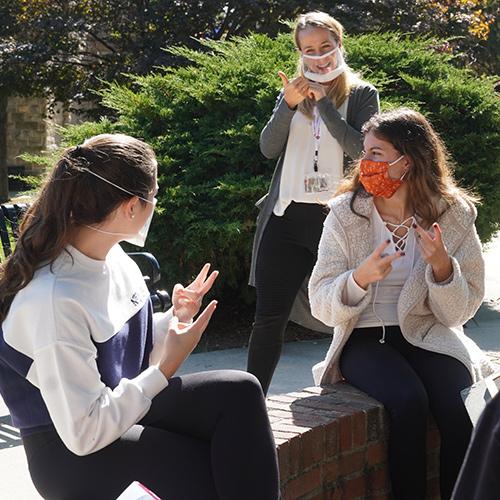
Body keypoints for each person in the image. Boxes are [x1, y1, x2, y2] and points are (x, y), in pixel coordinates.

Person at [0, 134, 280, 500]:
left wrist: (171, 322)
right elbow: (84, 432)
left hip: (113, 411)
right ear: (132, 206)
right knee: (209, 466)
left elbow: (127, 353)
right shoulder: (53, 298)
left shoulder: (114, 259)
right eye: (155, 193)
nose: (156, 203)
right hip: (72, 453)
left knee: (240, 391)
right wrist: (165, 368)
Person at [308, 108, 494, 500]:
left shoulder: (453, 214)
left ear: (406, 161)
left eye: (377, 154)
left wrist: (444, 269)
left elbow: (461, 311)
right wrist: (359, 278)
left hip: (428, 332)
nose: (366, 163)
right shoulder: (346, 213)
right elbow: (319, 299)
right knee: (409, 403)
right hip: (364, 338)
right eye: (365, 152)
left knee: (462, 407)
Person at [247, 11, 379, 395]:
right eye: (309, 49)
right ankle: (250, 404)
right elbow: (268, 148)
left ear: (339, 45)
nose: (318, 56)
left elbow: (364, 152)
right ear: (300, 52)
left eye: (325, 46)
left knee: (353, 313)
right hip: (286, 215)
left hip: (338, 217)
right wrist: (287, 106)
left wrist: (323, 106)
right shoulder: (291, 93)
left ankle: (357, 393)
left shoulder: (361, 94)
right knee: (268, 318)